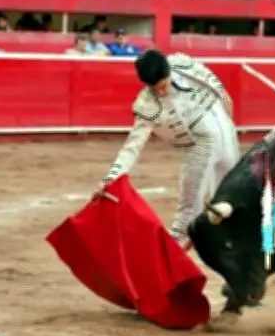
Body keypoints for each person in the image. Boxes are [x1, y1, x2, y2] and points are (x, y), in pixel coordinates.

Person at [94, 50, 239, 245]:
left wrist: (225, 101)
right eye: (156, 89)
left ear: (169, 71)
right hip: (201, 148)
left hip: (227, 133)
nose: (162, 92)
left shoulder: (183, 64)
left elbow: (213, 81)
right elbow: (132, 147)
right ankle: (168, 266)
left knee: (232, 203)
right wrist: (111, 177)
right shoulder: (146, 105)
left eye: (163, 84)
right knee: (187, 218)